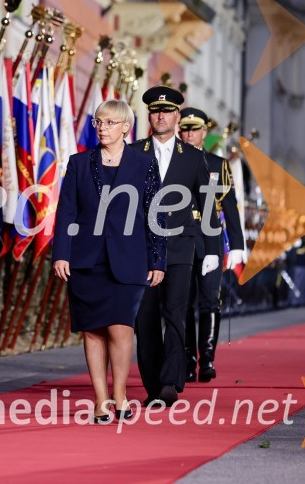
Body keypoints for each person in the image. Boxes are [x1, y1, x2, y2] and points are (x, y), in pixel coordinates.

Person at [53, 99, 167, 423]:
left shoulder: (144, 164)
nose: (102, 128)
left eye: (110, 123)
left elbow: (154, 214)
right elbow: (66, 212)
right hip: (86, 260)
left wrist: (158, 259)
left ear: (126, 128)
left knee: (121, 328)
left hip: (130, 260)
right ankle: (101, 400)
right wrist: (61, 253)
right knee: (92, 331)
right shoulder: (78, 163)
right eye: (99, 122)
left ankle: (121, 394)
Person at [130, 86, 220, 407]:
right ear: (150, 115)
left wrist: (211, 249)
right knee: (146, 317)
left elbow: (207, 205)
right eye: (155, 110)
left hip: (181, 247)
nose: (161, 116)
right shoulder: (134, 152)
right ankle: (153, 383)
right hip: (142, 248)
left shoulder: (194, 158)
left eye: (167, 111)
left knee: (175, 313)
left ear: (177, 117)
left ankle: (170, 381)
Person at [179, 108, 246, 383]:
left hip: (210, 237)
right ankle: (186, 360)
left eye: (195, 129)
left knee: (210, 299)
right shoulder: (172, 161)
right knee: (181, 302)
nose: (190, 133)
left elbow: (229, 207)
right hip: (180, 236)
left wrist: (238, 244)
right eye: (185, 129)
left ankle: (206, 359)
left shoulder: (218, 165)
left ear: (204, 133)